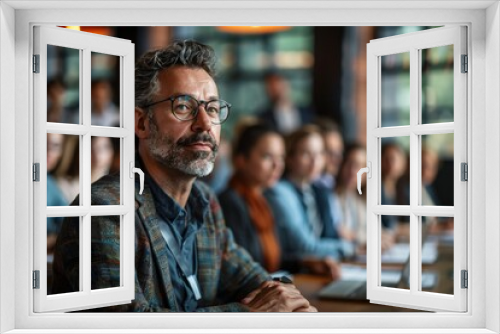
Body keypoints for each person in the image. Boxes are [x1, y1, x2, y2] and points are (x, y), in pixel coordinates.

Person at [52, 40, 315, 312]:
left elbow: (256, 282)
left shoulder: (205, 202)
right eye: (183, 106)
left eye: (212, 108)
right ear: (141, 123)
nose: (204, 124)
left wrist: (290, 303)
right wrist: (249, 314)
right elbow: (127, 324)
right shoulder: (105, 210)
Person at [219, 121, 340, 279]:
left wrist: (305, 263)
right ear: (241, 160)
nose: (277, 165)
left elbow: (272, 261)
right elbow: (242, 270)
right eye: (267, 156)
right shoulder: (230, 202)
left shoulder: (263, 201)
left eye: (280, 157)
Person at [267, 125, 353, 261]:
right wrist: (350, 247)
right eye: (306, 154)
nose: (315, 161)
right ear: (290, 157)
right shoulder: (280, 191)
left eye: (319, 153)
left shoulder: (312, 190)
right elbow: (305, 246)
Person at [335, 144, 367, 251]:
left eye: (360, 167)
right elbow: (341, 233)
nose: (353, 172)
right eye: (349, 164)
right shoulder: (330, 197)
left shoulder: (358, 199)